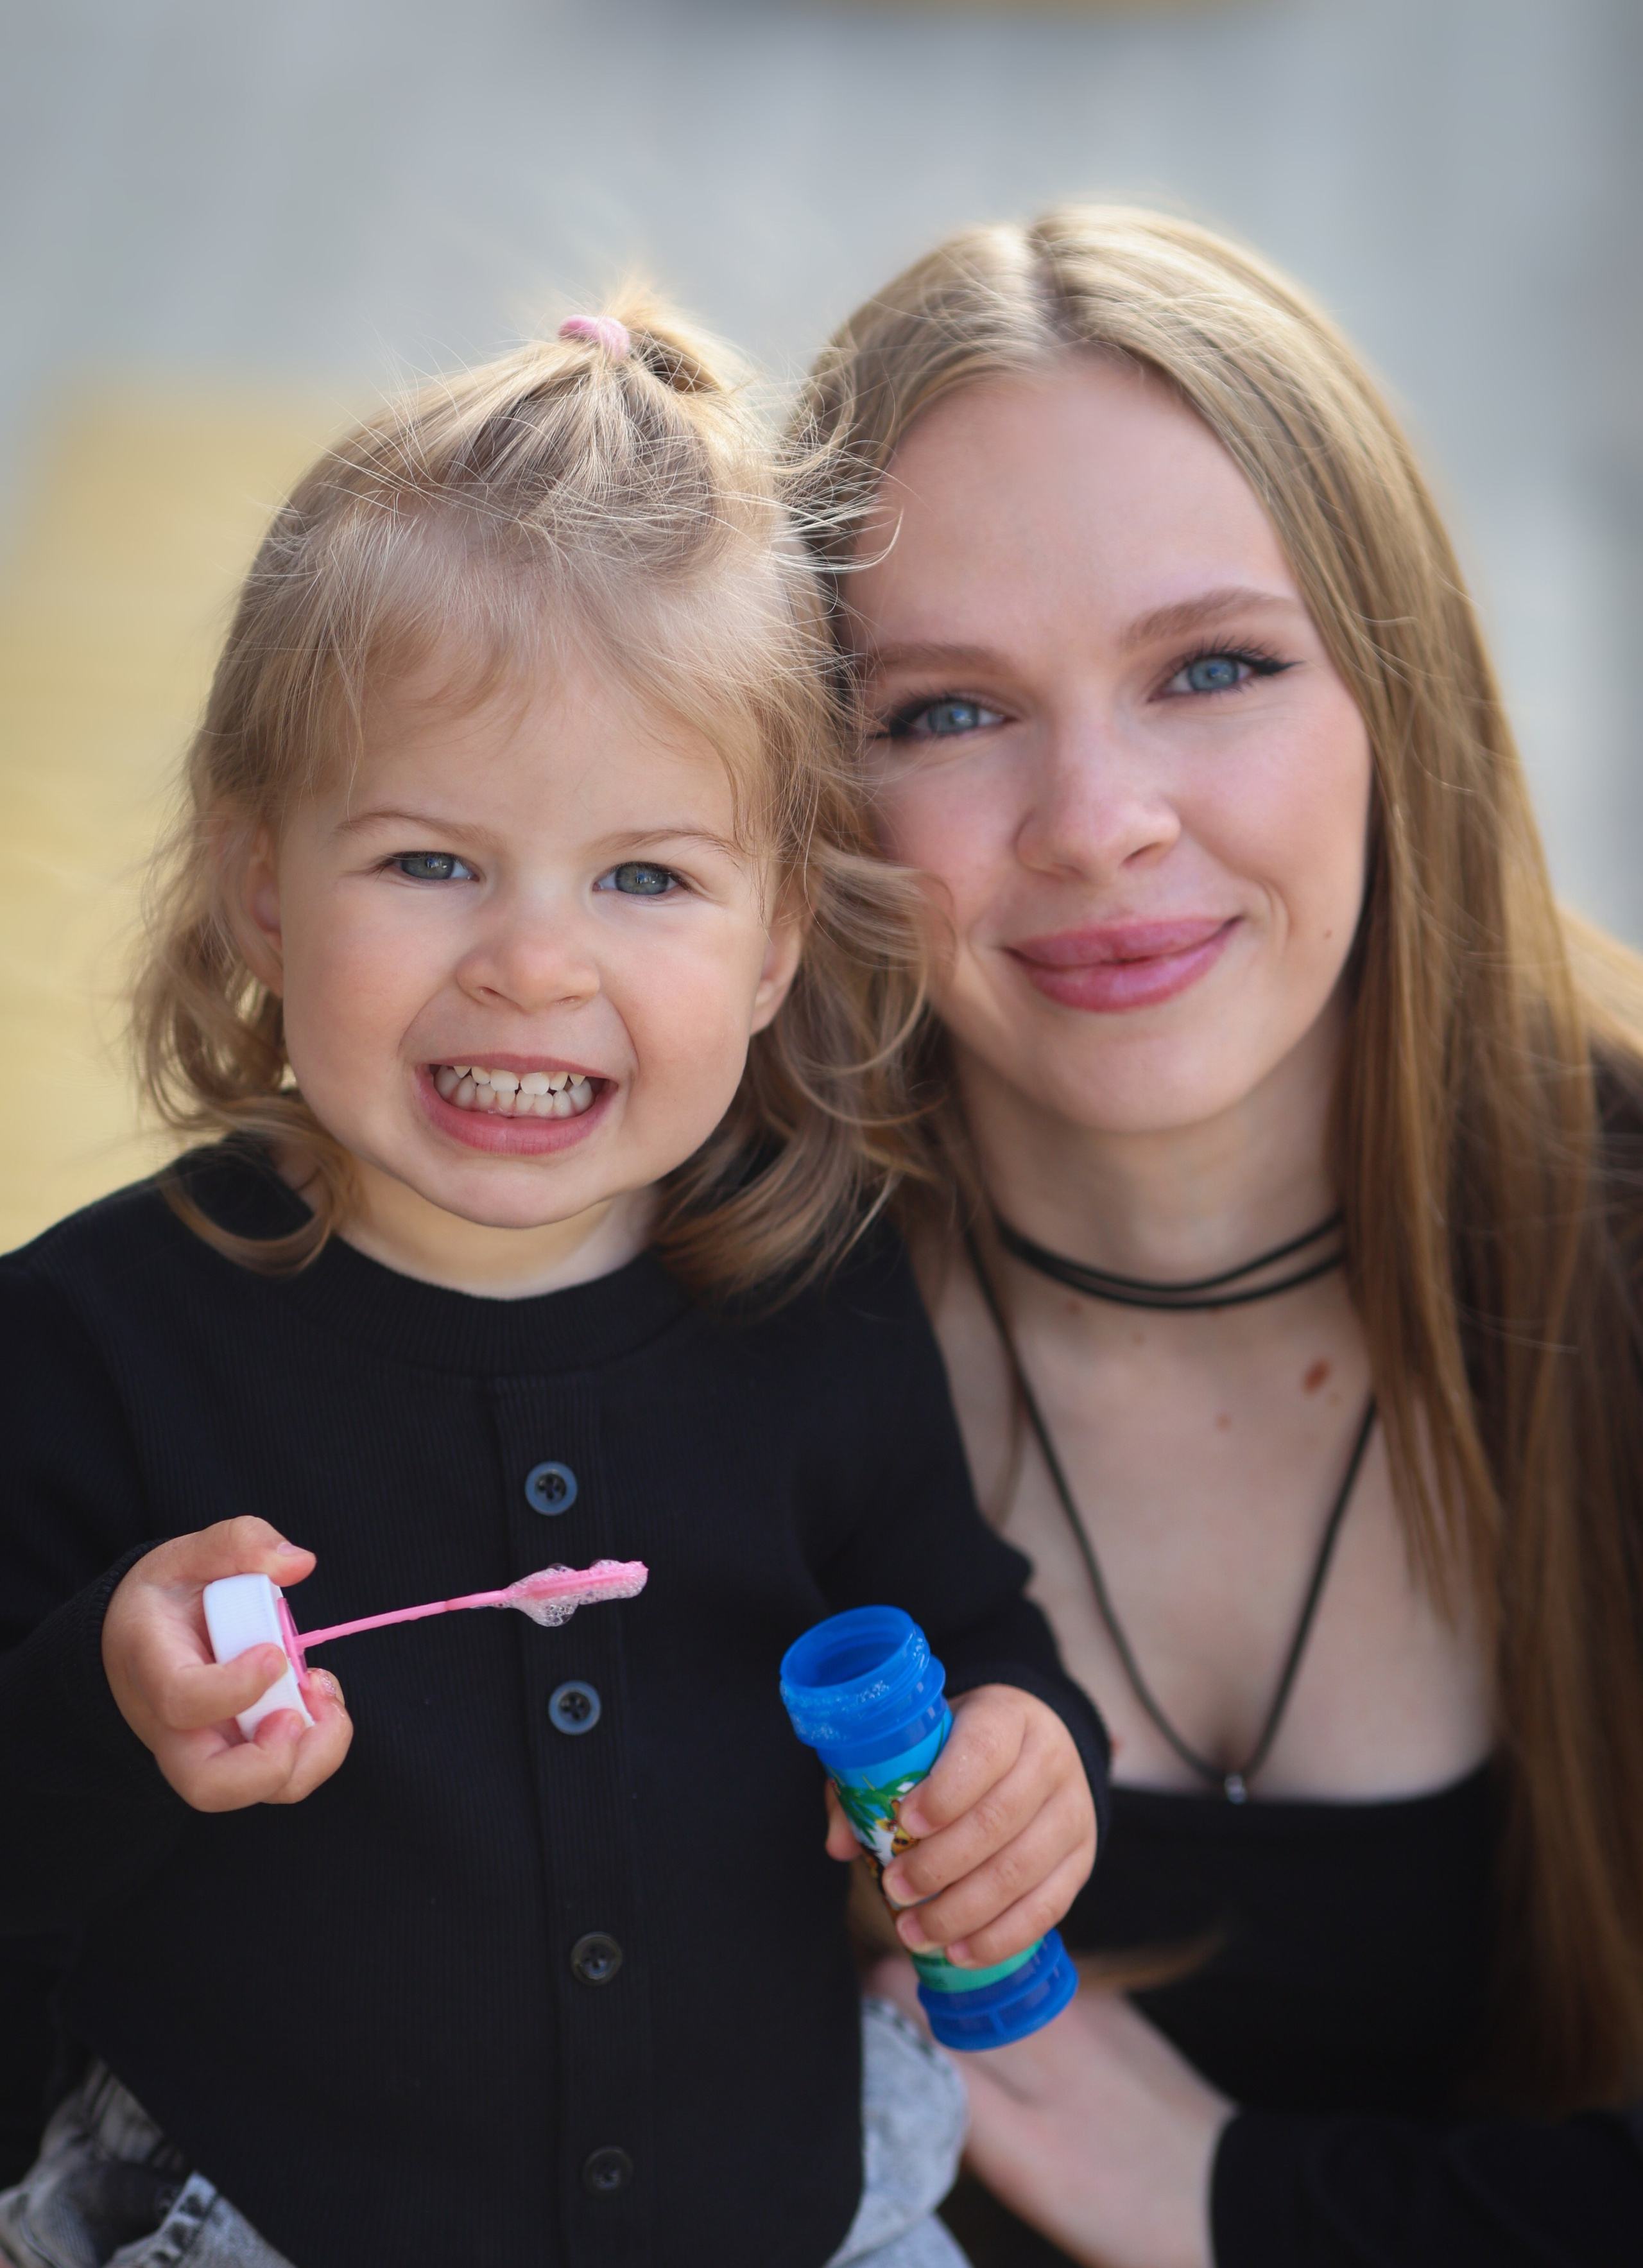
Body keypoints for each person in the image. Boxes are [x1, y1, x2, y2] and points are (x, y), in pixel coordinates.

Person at [0, 300, 1109, 2268]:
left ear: (778, 944)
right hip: (275, 2217)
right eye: (432, 861)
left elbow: (963, 1623)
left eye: (646, 879)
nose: (532, 963)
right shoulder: (89, 1346)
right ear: (262, 881)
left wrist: (1023, 1753)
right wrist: (103, 1693)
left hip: (780, 2218)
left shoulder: (816, 1307)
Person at [791, 208, 1643, 2267]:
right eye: (946, 713)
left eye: (1216, 668)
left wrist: (1233, 2200)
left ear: (1399, 703)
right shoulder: (677, 1323)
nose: (1096, 817)